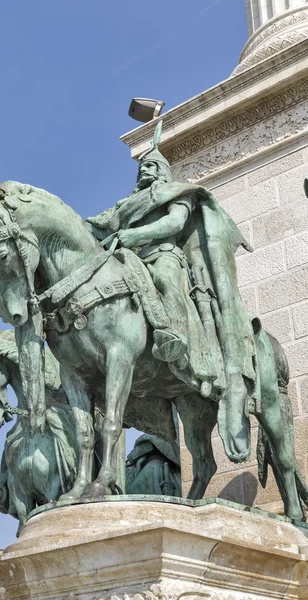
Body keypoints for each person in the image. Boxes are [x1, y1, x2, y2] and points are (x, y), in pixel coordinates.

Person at [86, 121, 256, 463]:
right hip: (126, 260)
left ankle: (174, 339)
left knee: (166, 285)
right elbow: (97, 224)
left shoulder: (176, 194)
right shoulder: (125, 204)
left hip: (164, 255)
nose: (145, 170)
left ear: (163, 172)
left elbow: (174, 225)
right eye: (142, 167)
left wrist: (134, 237)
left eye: (152, 166)